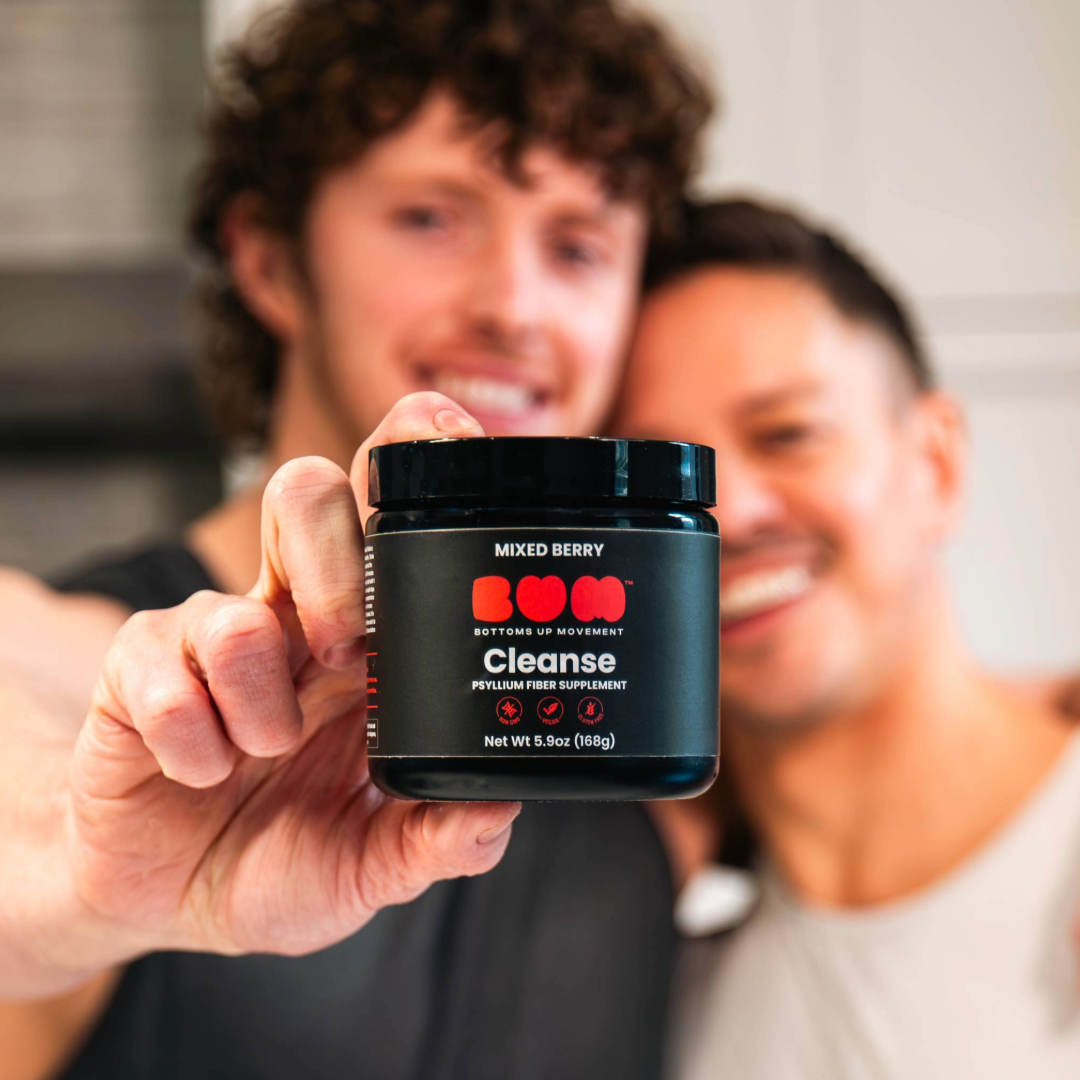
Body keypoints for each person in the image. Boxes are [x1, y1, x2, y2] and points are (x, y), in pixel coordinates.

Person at [0, 2, 710, 1078]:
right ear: (271, 260)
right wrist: (87, 878)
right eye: (431, 217)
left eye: (578, 246)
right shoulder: (69, 657)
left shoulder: (666, 704)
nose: (515, 306)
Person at [619, 199, 1080, 1078]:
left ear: (936, 463)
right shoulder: (660, 1008)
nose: (727, 513)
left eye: (787, 434)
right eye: (658, 479)